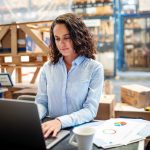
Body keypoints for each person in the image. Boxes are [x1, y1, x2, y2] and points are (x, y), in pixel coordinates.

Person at [35, 13, 104, 138]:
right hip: (50, 129)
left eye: (67, 37)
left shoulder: (94, 68)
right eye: (57, 38)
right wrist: (33, 117)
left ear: (78, 37)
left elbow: (90, 110)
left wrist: (60, 122)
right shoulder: (48, 68)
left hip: (79, 132)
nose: (61, 43)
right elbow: (42, 102)